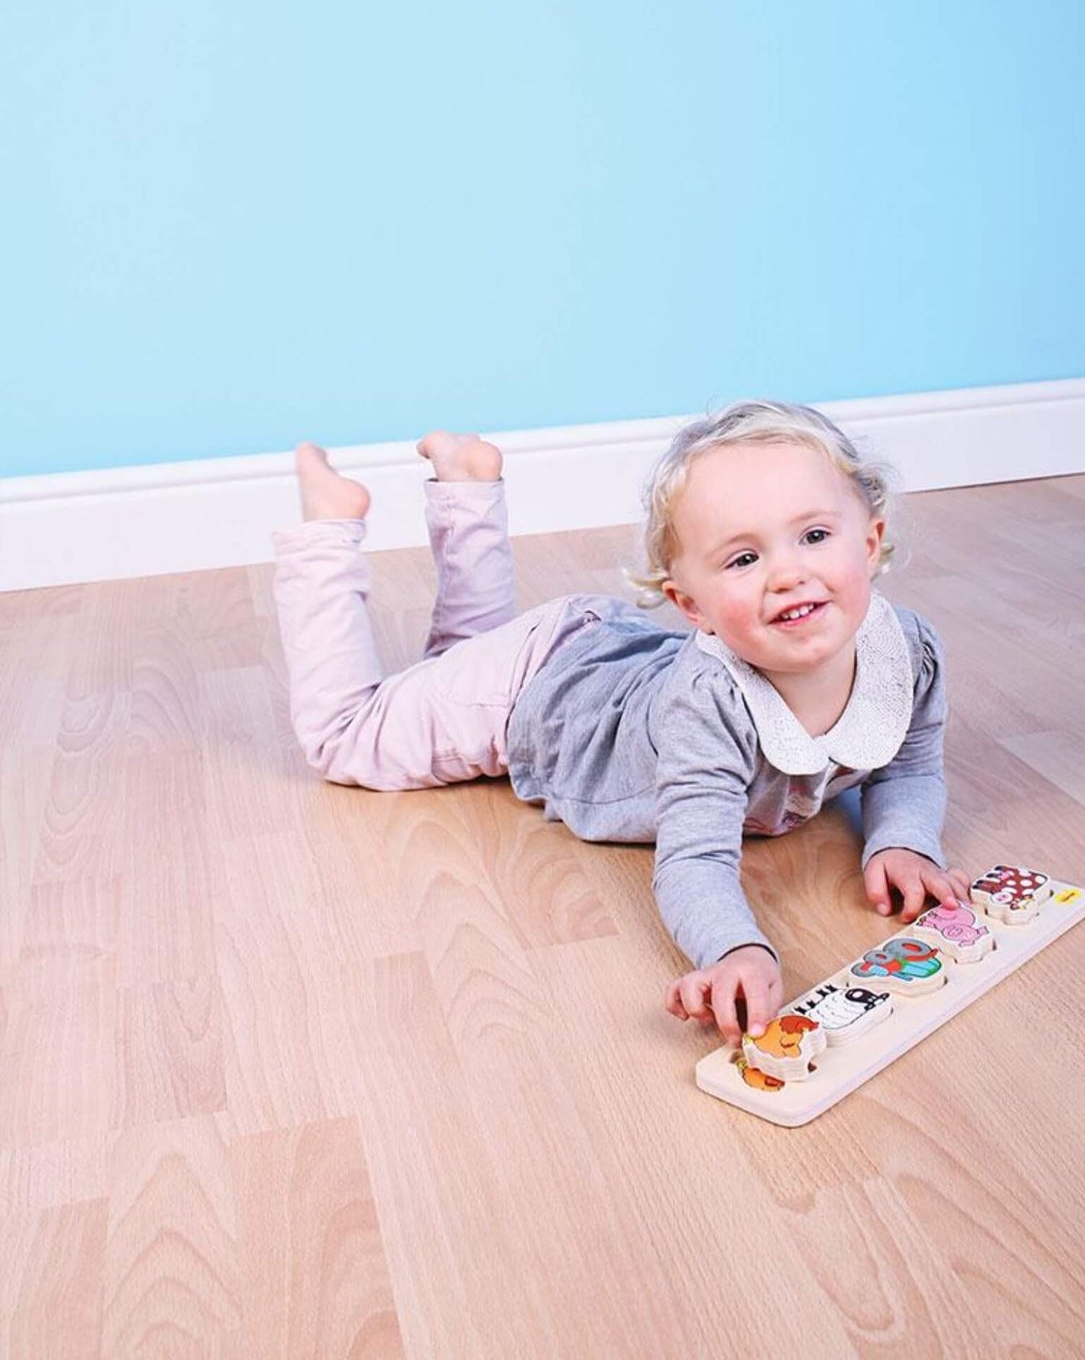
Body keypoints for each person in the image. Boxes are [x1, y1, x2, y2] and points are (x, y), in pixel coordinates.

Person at [273, 401, 967, 1045]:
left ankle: (467, 485)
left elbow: (907, 765)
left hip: (605, 660)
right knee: (345, 736)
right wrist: (734, 947)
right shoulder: (709, 704)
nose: (788, 573)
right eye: (744, 558)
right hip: (529, 694)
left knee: (454, 660)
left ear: (870, 541)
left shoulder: (906, 653)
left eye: (814, 535)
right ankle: (324, 531)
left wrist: (901, 842)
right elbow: (694, 857)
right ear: (690, 605)